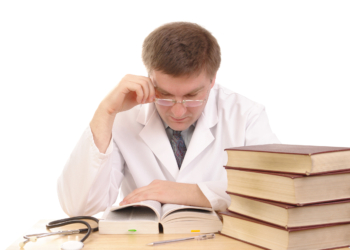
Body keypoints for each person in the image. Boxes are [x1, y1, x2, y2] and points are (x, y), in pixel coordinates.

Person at [57, 22, 280, 217]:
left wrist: (188, 192)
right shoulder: (125, 115)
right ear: (149, 78)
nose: (178, 112)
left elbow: (276, 191)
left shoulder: (245, 114)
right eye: (164, 95)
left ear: (212, 81)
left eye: (192, 96)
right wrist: (105, 111)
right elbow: (78, 206)